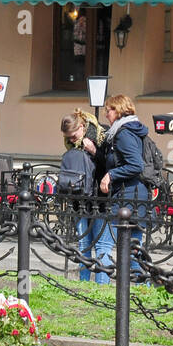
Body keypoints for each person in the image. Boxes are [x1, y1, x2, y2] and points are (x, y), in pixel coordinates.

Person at [57, 110, 114, 284]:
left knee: (102, 246)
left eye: (73, 136)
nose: (71, 140)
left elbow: (112, 164)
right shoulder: (72, 145)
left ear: (82, 127)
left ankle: (101, 286)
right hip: (79, 201)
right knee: (83, 245)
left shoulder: (103, 135)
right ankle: (84, 285)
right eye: (68, 138)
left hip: (101, 200)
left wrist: (95, 151)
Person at [98, 94, 150, 272]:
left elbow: (136, 165)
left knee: (104, 243)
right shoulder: (132, 130)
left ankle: (99, 287)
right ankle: (141, 288)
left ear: (119, 111)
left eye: (109, 110)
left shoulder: (123, 134)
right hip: (136, 194)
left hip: (126, 195)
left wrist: (110, 175)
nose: (106, 114)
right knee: (134, 248)